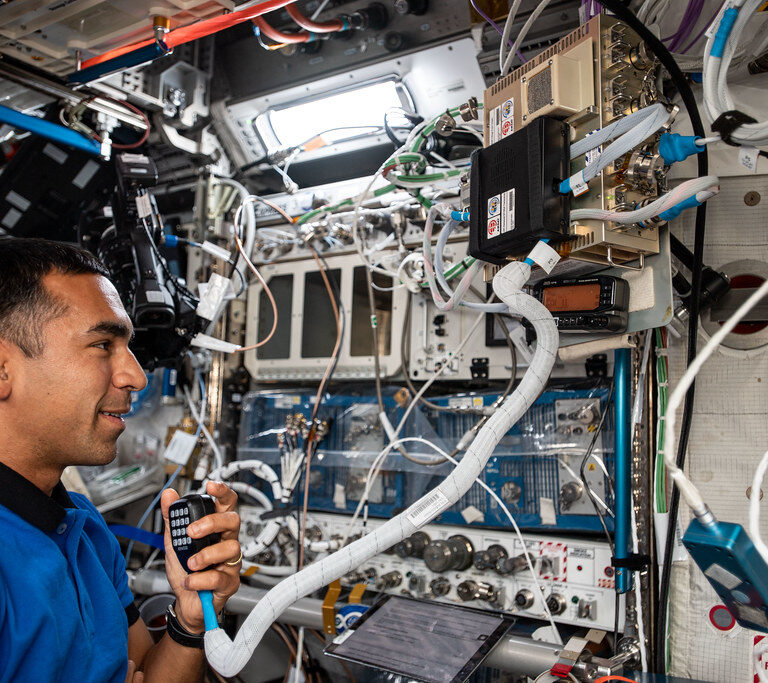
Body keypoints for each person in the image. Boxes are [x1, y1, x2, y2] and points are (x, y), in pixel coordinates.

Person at [0, 237, 243, 682]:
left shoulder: (84, 526)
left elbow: (147, 674)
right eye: (102, 345)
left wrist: (190, 620)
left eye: (127, 346)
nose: (135, 376)